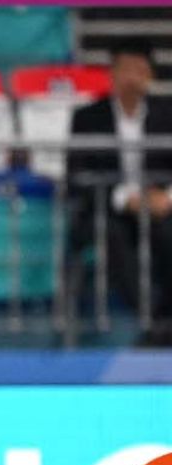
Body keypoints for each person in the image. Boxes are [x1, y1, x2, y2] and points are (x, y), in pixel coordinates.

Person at [67, 39, 172, 345]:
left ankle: (166, 317)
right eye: (125, 69)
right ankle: (151, 320)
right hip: (105, 209)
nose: (132, 77)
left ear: (150, 75)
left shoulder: (167, 116)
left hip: (158, 207)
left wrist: (166, 198)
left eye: (140, 70)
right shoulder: (87, 117)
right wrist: (125, 198)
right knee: (110, 235)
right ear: (111, 74)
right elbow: (77, 174)